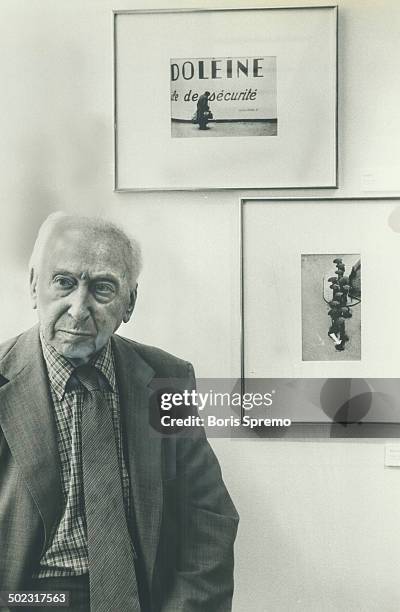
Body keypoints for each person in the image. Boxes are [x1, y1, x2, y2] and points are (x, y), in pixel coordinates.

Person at [0, 213, 239, 612]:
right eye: (63, 282)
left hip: (144, 595)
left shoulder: (168, 378)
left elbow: (208, 516)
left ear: (129, 302)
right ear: (33, 286)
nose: (78, 309)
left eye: (102, 288)